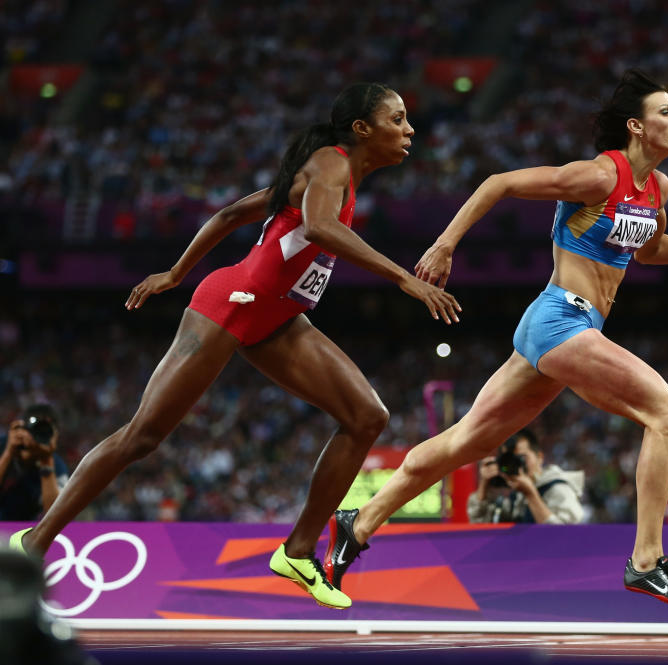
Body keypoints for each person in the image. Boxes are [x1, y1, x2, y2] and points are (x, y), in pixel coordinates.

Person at [8, 82, 461, 611]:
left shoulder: (337, 176)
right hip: (231, 303)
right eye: (399, 119)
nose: (410, 130)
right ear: (363, 129)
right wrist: (405, 280)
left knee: (366, 416)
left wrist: (175, 271)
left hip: (280, 317)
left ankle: (296, 551)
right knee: (142, 437)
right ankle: (33, 544)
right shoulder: (331, 164)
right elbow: (319, 228)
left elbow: (230, 216)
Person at [323, 69, 668, 608]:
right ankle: (646, 560)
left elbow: (648, 250)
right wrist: (445, 244)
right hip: (559, 319)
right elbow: (498, 183)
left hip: (569, 329)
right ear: (636, 127)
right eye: (666, 111)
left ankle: (359, 521)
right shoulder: (598, 176)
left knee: (469, 441)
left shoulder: (657, 187)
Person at [468, 429, 584, 524]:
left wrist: (531, 494)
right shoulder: (518, 495)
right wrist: (484, 485)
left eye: (522, 458)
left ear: (539, 457)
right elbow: (482, 526)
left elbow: (566, 537)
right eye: (510, 460)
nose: (517, 465)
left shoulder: (558, 489)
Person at [0, 404, 70, 521]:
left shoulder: (57, 466)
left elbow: (56, 516)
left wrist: (46, 460)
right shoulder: (3, 445)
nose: (38, 435)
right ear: (23, 429)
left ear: (55, 436)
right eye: (35, 429)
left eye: (45, 431)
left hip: (22, 531)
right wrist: (8, 452)